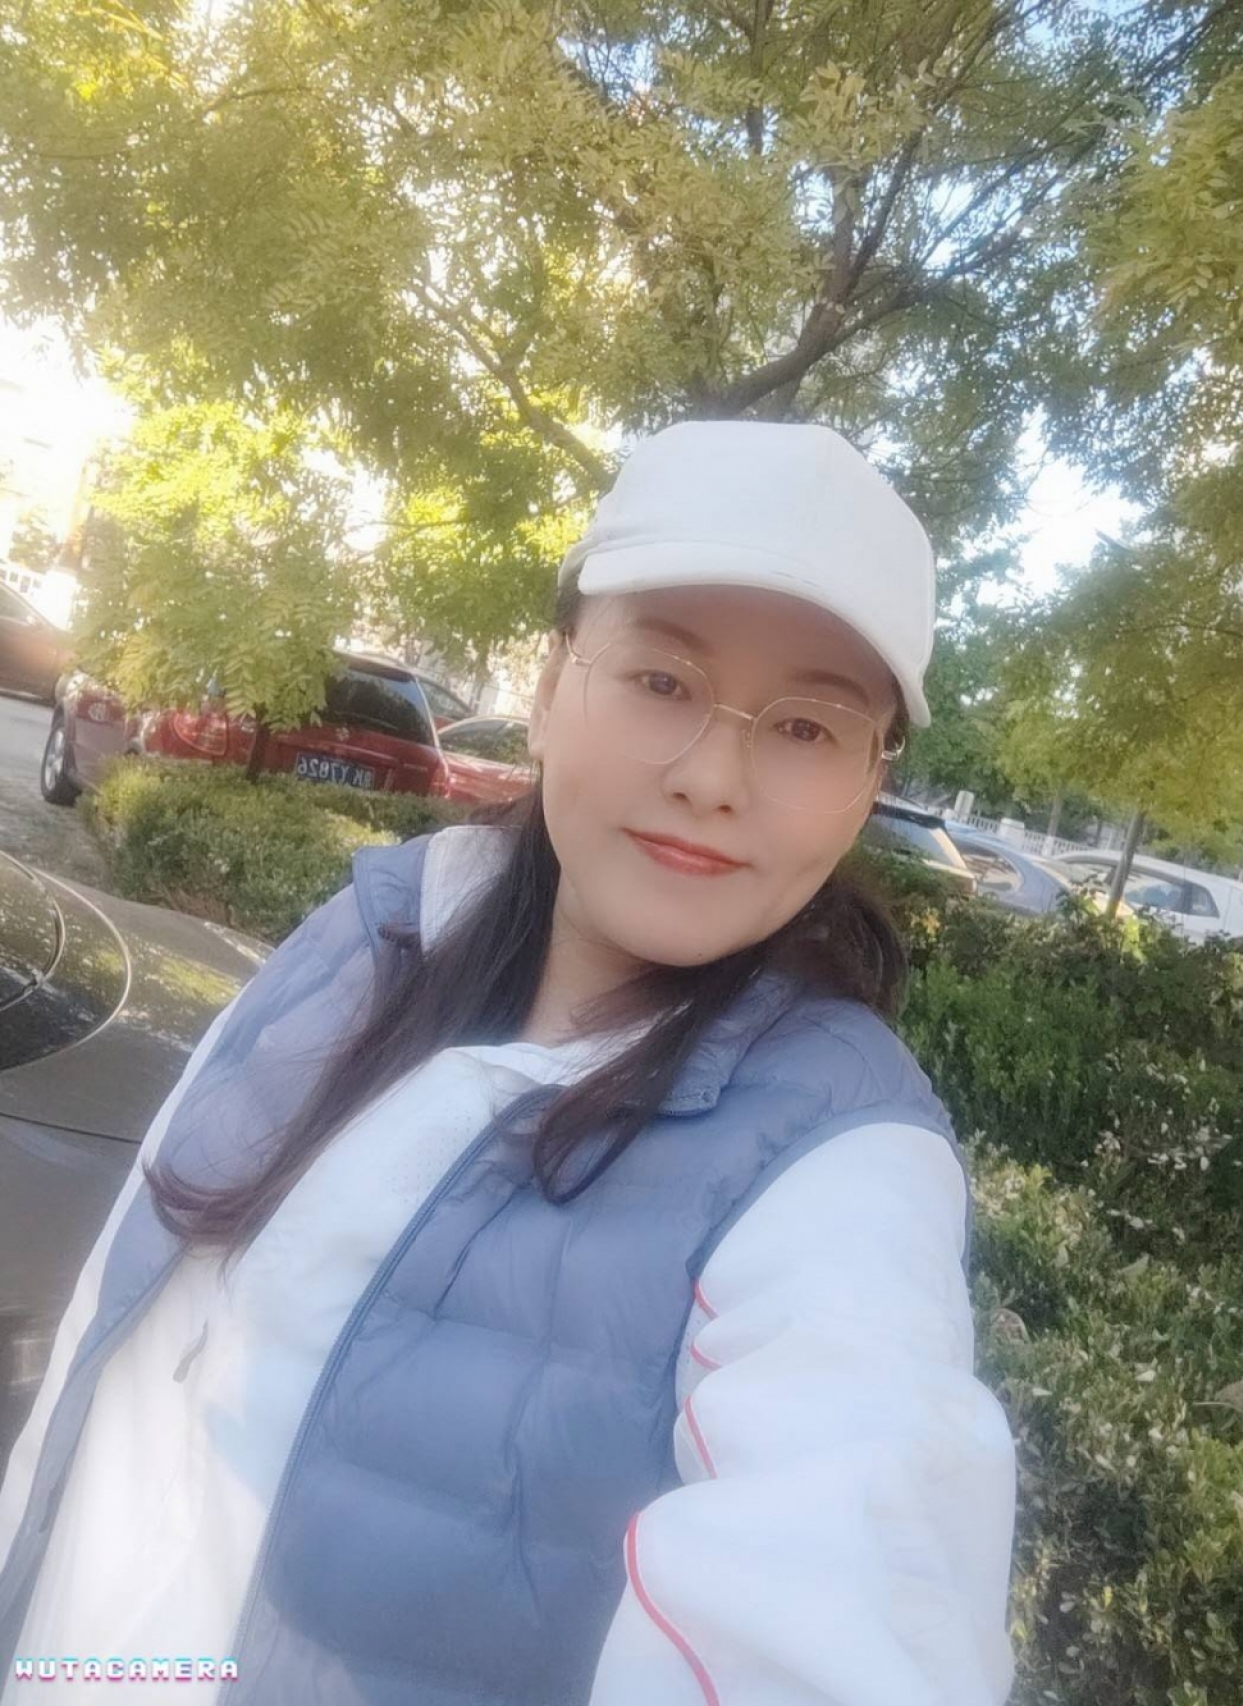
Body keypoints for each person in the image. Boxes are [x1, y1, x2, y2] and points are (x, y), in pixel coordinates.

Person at [0, 421, 1017, 1704]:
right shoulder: (373, 930)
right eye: (661, 679)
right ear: (547, 686)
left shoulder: (839, 1173)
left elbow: (846, 1596)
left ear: (869, 780)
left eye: (808, 728)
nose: (712, 775)